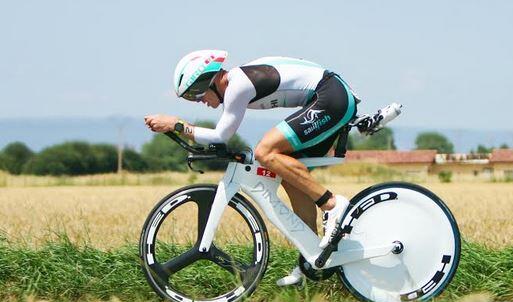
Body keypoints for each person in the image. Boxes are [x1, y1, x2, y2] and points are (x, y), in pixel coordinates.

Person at [145, 50, 358, 286]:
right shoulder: (240, 79)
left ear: (209, 81)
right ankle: (312, 258)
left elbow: (220, 135)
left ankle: (333, 205)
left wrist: (176, 125)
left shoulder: (238, 85)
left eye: (196, 95)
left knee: (264, 152)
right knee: (286, 171)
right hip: (330, 96)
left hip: (331, 98)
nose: (200, 102)